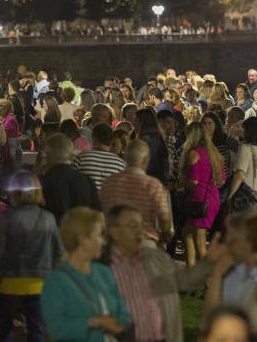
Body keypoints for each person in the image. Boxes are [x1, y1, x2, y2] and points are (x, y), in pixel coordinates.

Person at [106, 204, 226, 342]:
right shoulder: (104, 267)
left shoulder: (154, 257)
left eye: (140, 226)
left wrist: (208, 262)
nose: (140, 232)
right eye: (133, 226)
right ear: (114, 232)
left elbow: (182, 280)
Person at [0, 171, 63, 342]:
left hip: (10, 283)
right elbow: (59, 252)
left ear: (14, 192)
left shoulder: (6, 218)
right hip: (40, 284)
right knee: (37, 331)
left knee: (4, 331)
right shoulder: (48, 218)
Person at [40, 207, 132, 342]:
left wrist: (119, 323)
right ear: (83, 239)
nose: (103, 241)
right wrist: (94, 322)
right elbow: (56, 329)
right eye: (99, 235)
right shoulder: (55, 281)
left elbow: (124, 311)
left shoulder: (104, 273)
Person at [100, 139, 172, 245]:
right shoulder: (153, 185)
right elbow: (164, 218)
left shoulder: (109, 182)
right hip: (144, 241)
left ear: (125, 158)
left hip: (115, 242)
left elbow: (101, 212)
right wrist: (165, 234)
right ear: (146, 160)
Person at [181, 122, 226, 266]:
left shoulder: (194, 153)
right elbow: (222, 180)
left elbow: (194, 181)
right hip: (212, 198)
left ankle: (207, 276)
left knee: (200, 244)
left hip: (199, 200)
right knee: (187, 234)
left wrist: (180, 184)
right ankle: (191, 270)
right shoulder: (215, 154)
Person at [40, 134, 101, 222]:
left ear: (48, 155)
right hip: (82, 228)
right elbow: (97, 212)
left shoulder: (44, 181)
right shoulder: (86, 180)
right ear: (70, 154)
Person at [228, 117, 257, 210]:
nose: (241, 130)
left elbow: (239, 175)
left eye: (243, 128)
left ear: (249, 131)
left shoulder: (246, 149)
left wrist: (229, 196)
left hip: (248, 197)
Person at [75, 123, 127, 189]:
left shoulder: (81, 158)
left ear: (94, 138)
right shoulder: (121, 164)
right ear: (111, 139)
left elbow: (71, 181)